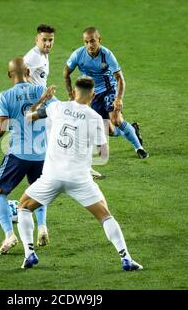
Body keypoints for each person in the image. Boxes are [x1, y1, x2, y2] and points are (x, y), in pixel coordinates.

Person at [16, 76, 143, 271]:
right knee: (105, 216)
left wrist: (43, 98)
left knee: (24, 207)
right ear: (93, 95)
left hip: (52, 176)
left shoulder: (56, 107)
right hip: (80, 179)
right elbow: (103, 153)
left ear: (74, 92)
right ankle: (126, 258)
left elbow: (28, 116)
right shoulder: (95, 118)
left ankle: (29, 254)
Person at [0, 57, 56, 255]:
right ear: (28, 72)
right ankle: (42, 226)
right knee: (37, 191)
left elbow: (1, 127)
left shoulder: (5, 96)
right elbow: (56, 111)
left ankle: (9, 234)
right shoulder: (39, 90)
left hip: (18, 154)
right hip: (42, 154)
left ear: (9, 75)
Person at [63, 27, 149, 164]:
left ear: (99, 40)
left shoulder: (107, 55)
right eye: (86, 42)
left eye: (92, 41)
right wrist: (70, 94)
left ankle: (139, 147)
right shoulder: (78, 55)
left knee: (116, 120)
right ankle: (132, 129)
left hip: (109, 90)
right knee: (109, 130)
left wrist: (119, 98)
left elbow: (120, 78)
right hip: (93, 95)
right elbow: (66, 73)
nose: (89, 45)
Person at [21, 24, 56, 246]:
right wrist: (37, 99)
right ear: (36, 39)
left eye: (51, 40)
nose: (48, 44)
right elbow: (19, 76)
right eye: (44, 40)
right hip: (33, 107)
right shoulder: (31, 58)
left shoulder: (43, 56)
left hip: (40, 103)